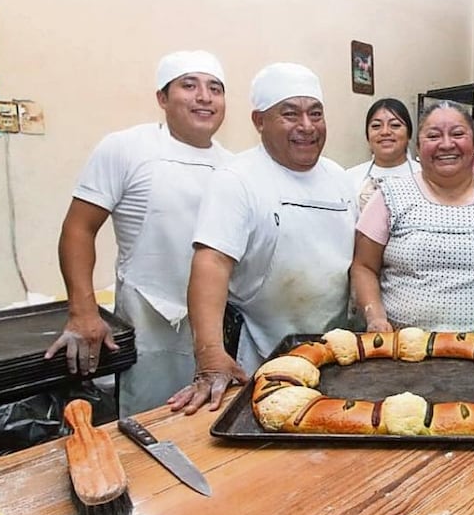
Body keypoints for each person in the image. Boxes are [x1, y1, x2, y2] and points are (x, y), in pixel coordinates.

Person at [45, 50, 230, 416]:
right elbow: (79, 228)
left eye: (215, 88)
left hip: (215, 326)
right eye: (188, 85)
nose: (204, 97)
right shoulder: (126, 148)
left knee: (209, 424)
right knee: (150, 425)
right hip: (147, 320)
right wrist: (83, 312)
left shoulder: (233, 165)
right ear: (162, 98)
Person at [167, 62, 357, 414]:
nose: (306, 126)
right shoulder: (236, 179)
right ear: (259, 121)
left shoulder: (340, 179)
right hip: (255, 352)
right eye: (290, 114)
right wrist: (210, 356)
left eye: (316, 114)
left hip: (328, 350)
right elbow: (211, 263)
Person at [351, 101, 474, 332]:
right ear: (419, 148)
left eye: (458, 134)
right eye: (433, 136)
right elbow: (363, 266)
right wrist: (375, 317)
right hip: (401, 347)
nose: (446, 144)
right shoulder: (390, 195)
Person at [344, 98, 415, 211]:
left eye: (395, 125)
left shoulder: (427, 176)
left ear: (409, 134)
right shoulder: (349, 177)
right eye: (376, 126)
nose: (385, 132)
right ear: (367, 136)